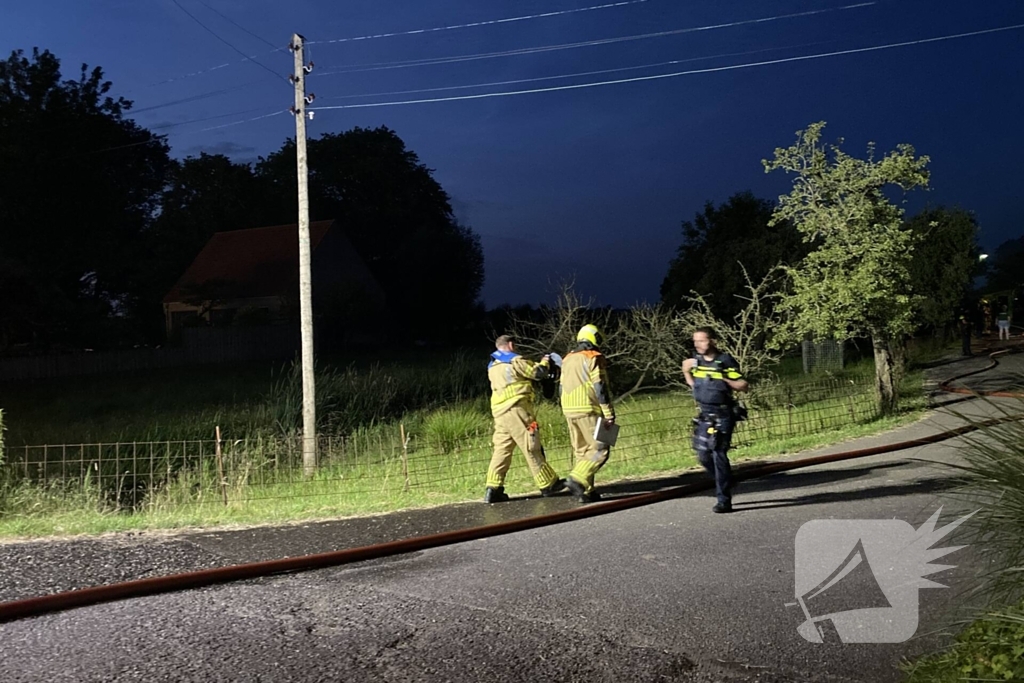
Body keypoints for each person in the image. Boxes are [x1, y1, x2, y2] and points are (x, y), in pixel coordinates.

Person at [484, 335, 566, 503]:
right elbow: (537, 373)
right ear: (511, 344)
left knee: (502, 450)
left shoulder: (492, 365)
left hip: (500, 413)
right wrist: (545, 361)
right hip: (517, 410)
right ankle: (548, 484)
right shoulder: (515, 361)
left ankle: (493, 488)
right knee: (531, 445)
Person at [682, 327, 749, 513]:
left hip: (723, 414)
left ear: (712, 341)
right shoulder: (696, 362)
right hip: (704, 414)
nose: (698, 345)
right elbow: (695, 386)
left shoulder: (724, 361)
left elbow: (743, 385)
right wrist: (686, 372)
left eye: (701, 341)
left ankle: (723, 500)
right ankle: (726, 480)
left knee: (718, 453)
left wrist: (725, 380)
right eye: (695, 341)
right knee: (703, 455)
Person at [559, 324, 615, 503]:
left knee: (582, 452)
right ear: (594, 338)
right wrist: (609, 413)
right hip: (589, 409)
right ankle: (577, 479)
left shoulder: (567, 358)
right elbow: (601, 387)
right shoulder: (594, 357)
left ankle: (586, 491)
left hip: (569, 410)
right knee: (601, 449)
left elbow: (560, 387)